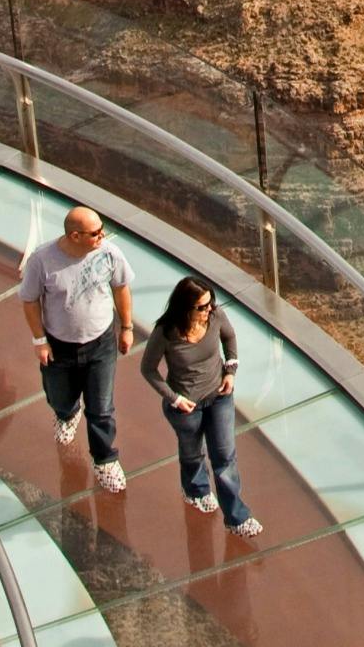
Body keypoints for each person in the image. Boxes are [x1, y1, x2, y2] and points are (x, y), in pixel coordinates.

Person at [17, 202, 136, 492]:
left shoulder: (109, 253)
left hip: (101, 343)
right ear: (75, 236)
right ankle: (67, 414)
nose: (102, 236)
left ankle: (105, 459)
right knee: (59, 397)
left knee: (102, 407)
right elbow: (29, 300)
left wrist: (127, 327)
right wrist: (39, 340)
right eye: (95, 233)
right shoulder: (42, 261)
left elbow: (121, 287)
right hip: (60, 346)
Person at [139, 276, 262, 537]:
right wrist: (174, 398)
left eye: (210, 304)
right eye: (202, 307)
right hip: (186, 407)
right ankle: (196, 490)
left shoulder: (216, 317)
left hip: (219, 398)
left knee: (224, 457)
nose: (209, 311)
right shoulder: (166, 332)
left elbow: (229, 338)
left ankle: (236, 518)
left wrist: (230, 371)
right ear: (185, 308)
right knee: (193, 452)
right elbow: (148, 369)